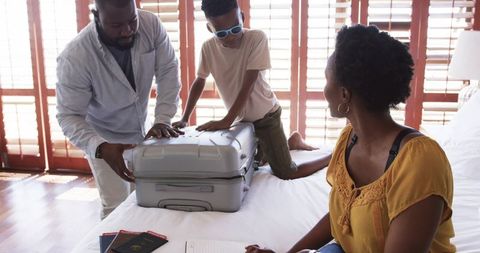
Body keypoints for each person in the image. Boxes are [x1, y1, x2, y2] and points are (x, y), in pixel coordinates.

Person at [246, 25, 455, 253]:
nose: (324, 90)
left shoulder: (420, 162)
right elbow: (342, 215)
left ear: (345, 94)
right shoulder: (349, 139)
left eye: (326, 79)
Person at [172, 0, 330, 180]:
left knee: (286, 172)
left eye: (235, 29)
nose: (231, 37)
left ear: (242, 17)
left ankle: (332, 157)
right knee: (254, 164)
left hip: (266, 116)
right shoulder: (208, 48)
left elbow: (248, 85)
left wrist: (227, 120)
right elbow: (199, 81)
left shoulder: (256, 38)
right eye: (222, 34)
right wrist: (185, 118)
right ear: (210, 29)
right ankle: (291, 142)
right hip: (242, 120)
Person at [56, 0, 182, 218]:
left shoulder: (150, 24)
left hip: (142, 133)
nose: (126, 31)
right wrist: (100, 146)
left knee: (146, 200)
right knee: (116, 206)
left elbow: (168, 71)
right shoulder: (75, 56)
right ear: (96, 16)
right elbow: (69, 115)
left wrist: (163, 119)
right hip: (104, 139)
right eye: (116, 26)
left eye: (132, 21)